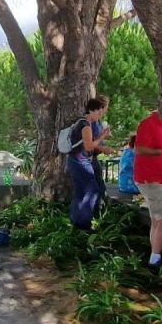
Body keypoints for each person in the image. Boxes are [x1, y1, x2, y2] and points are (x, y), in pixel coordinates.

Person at [132, 109, 162, 267]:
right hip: (149, 178)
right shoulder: (149, 124)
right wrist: (160, 152)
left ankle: (154, 255)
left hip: (160, 178)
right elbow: (139, 149)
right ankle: (155, 260)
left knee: (157, 218)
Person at [66, 97, 110, 230]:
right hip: (80, 162)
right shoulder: (85, 125)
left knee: (81, 192)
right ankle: (84, 223)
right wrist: (102, 137)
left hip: (78, 161)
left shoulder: (85, 124)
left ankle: (78, 221)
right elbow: (89, 146)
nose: (100, 116)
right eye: (98, 112)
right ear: (91, 110)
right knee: (91, 190)